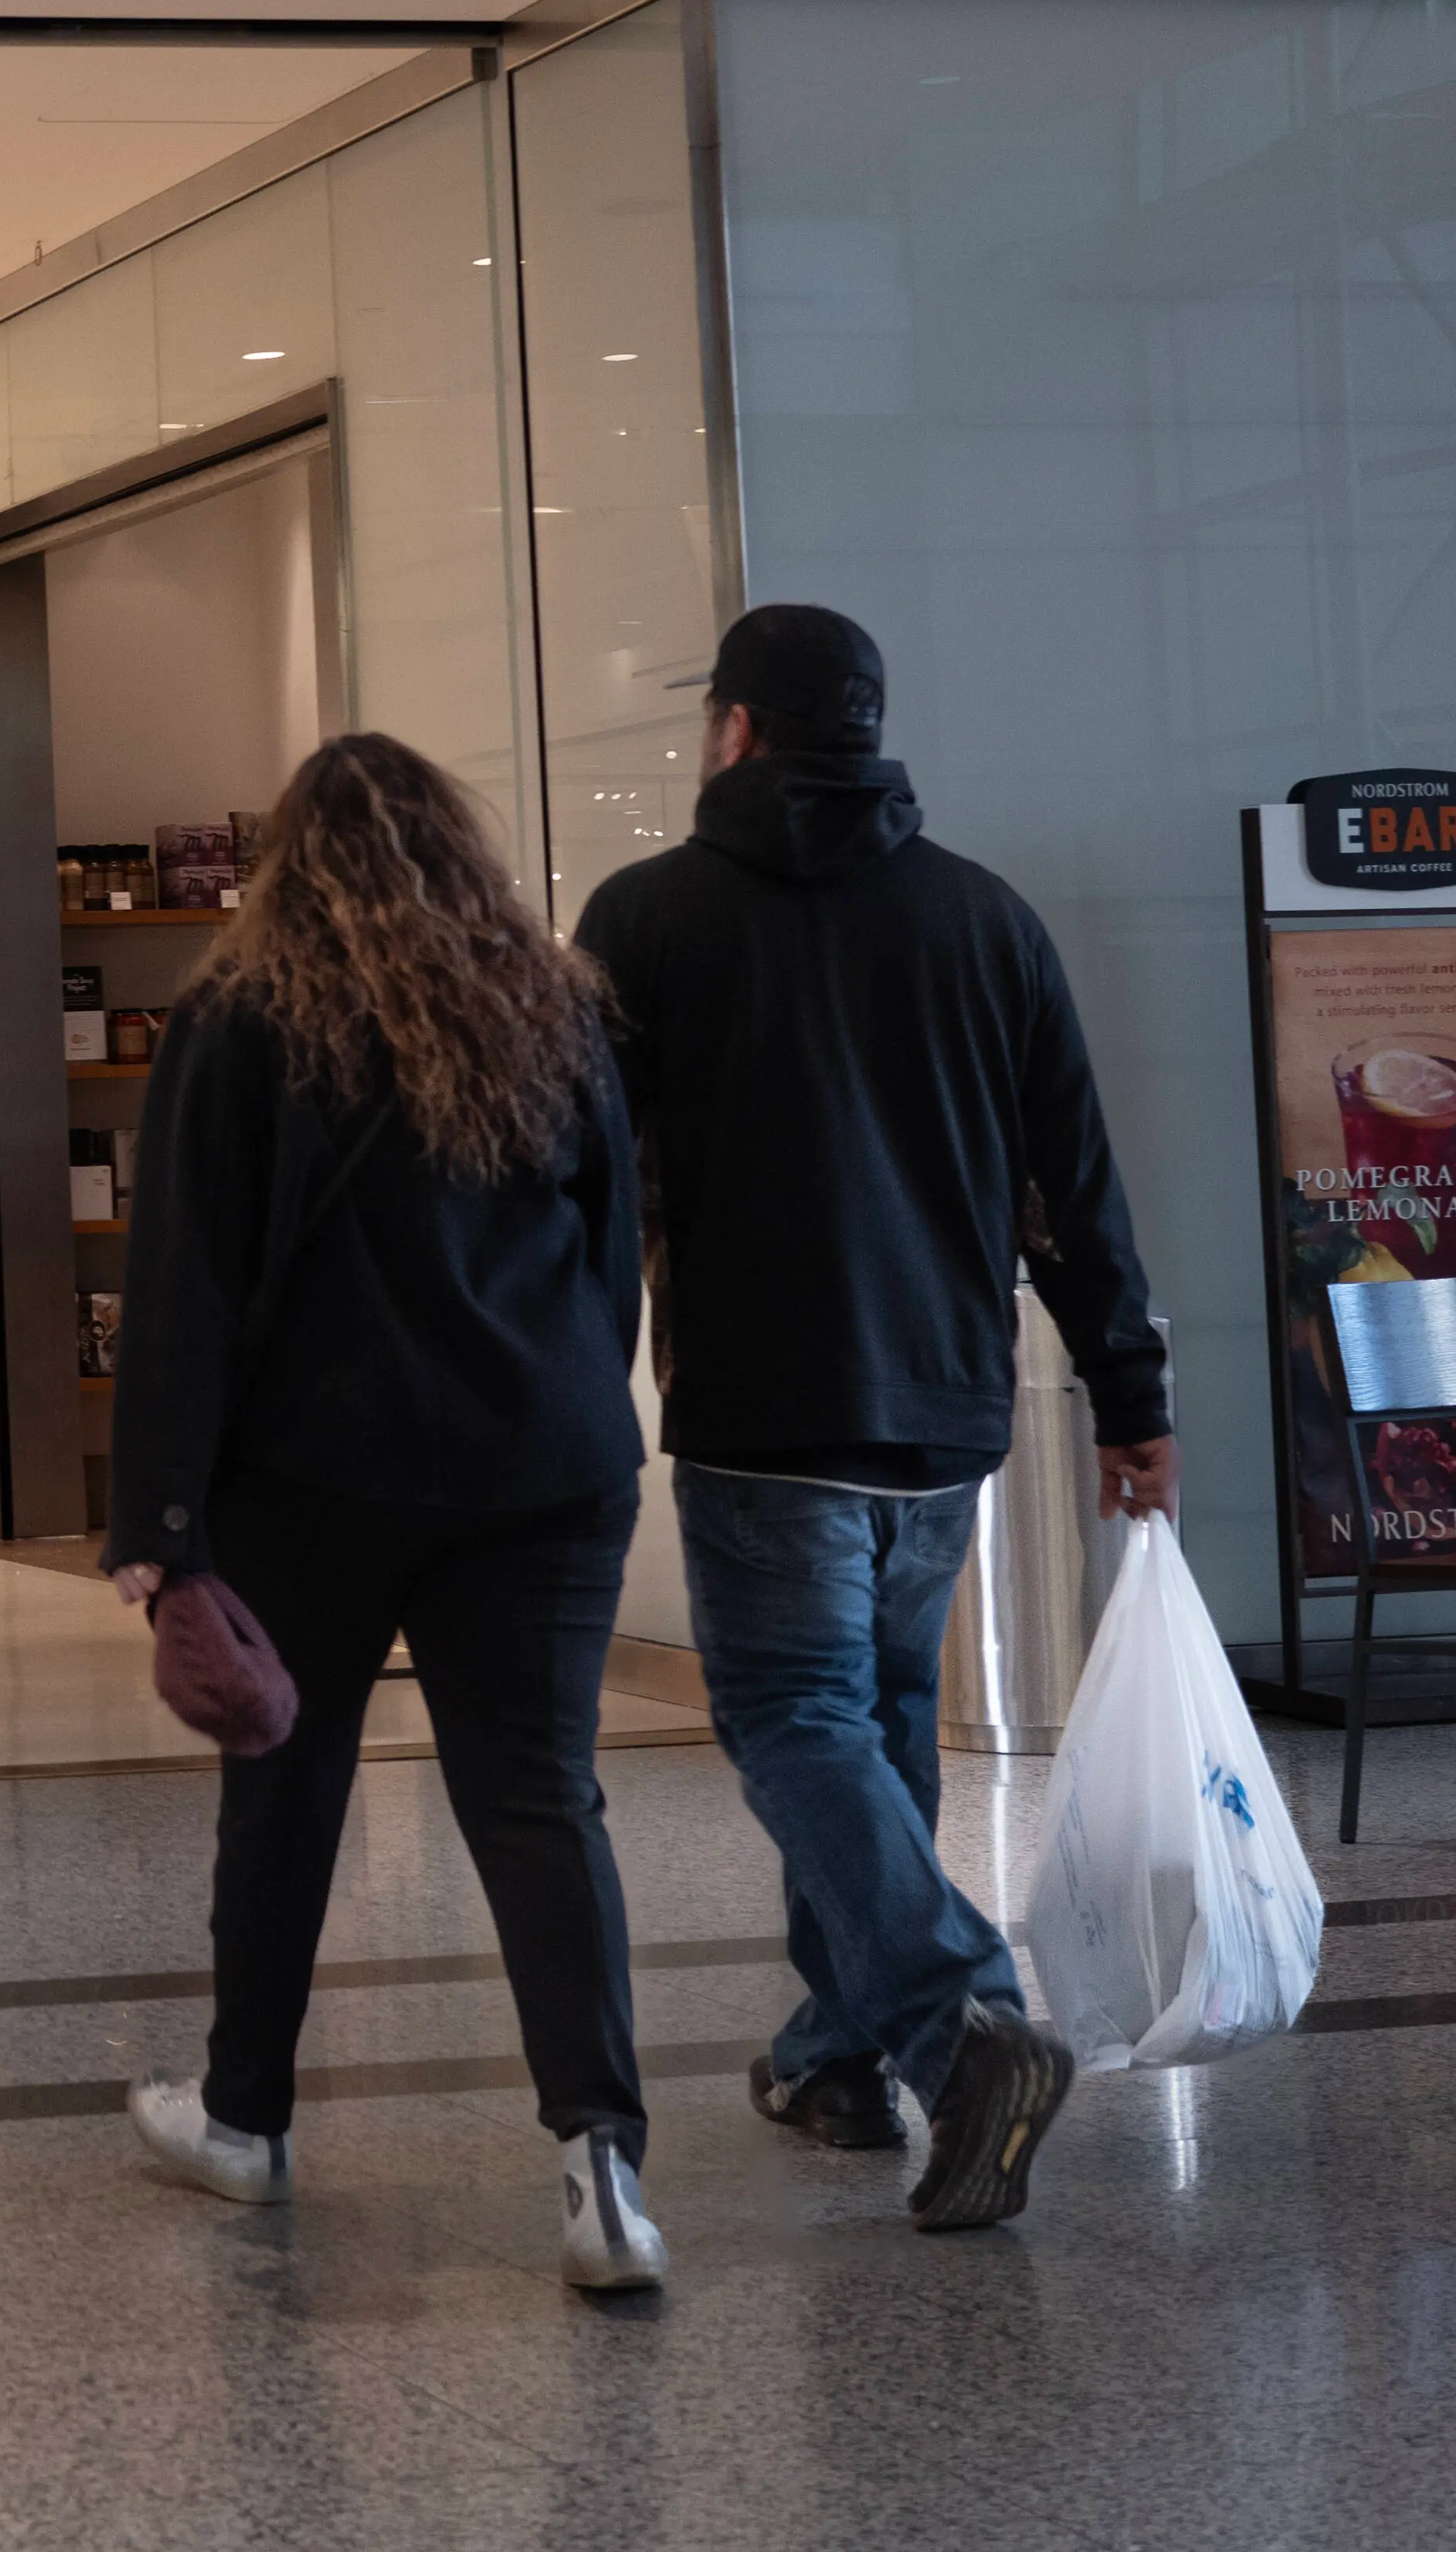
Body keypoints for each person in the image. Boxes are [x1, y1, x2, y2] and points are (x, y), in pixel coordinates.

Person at [574, 601, 1177, 2237]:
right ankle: (837, 2052)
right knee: (882, 1722)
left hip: (769, 1409)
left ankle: (955, 2019)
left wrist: (566, 1383)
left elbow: (592, 1186)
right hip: (941, 1412)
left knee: (799, 1723)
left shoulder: (644, 919)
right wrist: (1131, 1390)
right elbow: (1071, 1184)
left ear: (737, 729)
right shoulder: (983, 919)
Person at [105, 733, 667, 2296]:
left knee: (284, 1794)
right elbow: (614, 1245)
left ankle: (243, 2121)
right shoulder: (553, 1004)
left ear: (289, 859)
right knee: (539, 1799)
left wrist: (162, 1522)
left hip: (314, 1479)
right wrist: (568, 1406)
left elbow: (184, 1287)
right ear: (457, 849)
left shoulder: (240, 1015)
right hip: (546, 1473)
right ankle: (601, 2165)